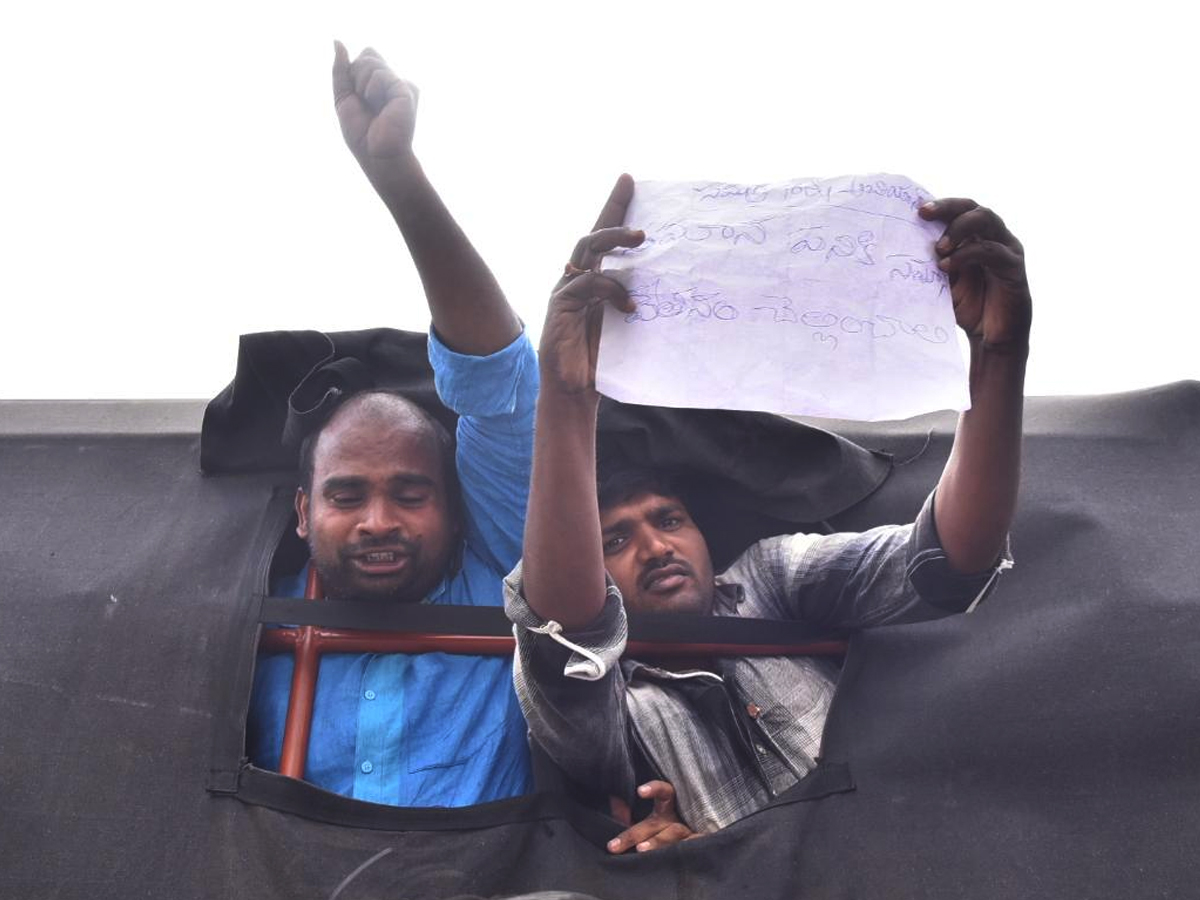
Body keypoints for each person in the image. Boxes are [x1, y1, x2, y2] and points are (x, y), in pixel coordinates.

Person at [505, 174, 1030, 840]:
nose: (656, 547)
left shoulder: (766, 580)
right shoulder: (602, 705)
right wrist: (567, 394)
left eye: (669, 520)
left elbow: (947, 560)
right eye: (614, 540)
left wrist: (998, 355)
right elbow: (564, 632)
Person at [247, 43, 547, 806]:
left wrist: (398, 176)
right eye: (348, 496)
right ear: (303, 511)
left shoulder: (502, 575)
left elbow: (501, 382)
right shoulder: (239, 612)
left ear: (455, 508)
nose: (380, 521)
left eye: (411, 493)